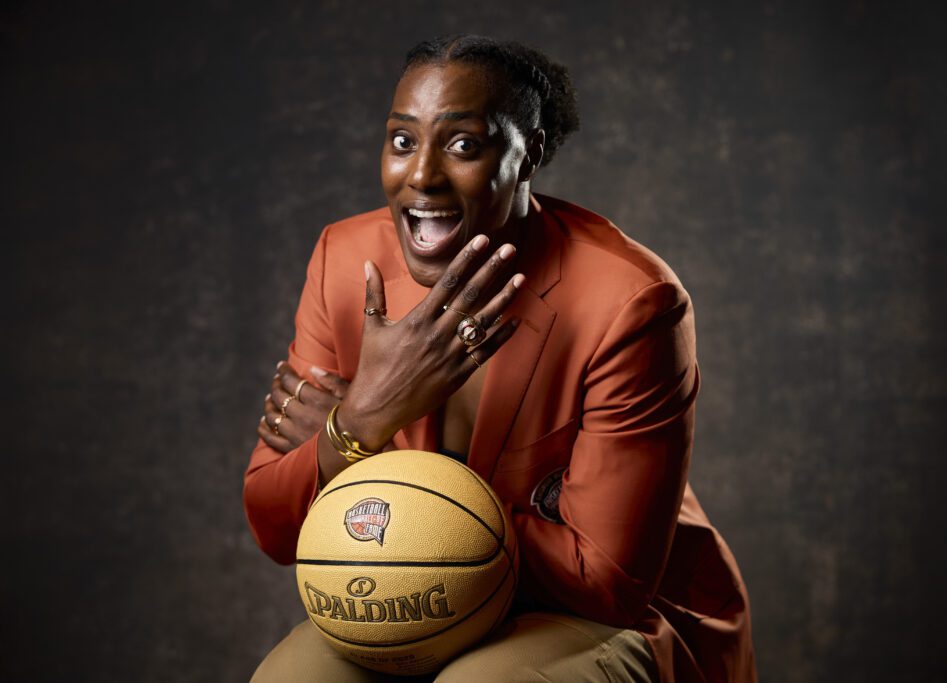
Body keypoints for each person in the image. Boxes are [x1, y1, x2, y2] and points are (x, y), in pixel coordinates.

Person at [244, 34, 756, 682]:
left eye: (464, 145)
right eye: (403, 140)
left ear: (528, 154)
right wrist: (353, 430)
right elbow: (276, 526)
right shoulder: (345, 262)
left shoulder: (630, 304)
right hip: (416, 587)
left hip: (611, 615)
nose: (422, 174)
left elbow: (607, 578)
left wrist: (374, 447)